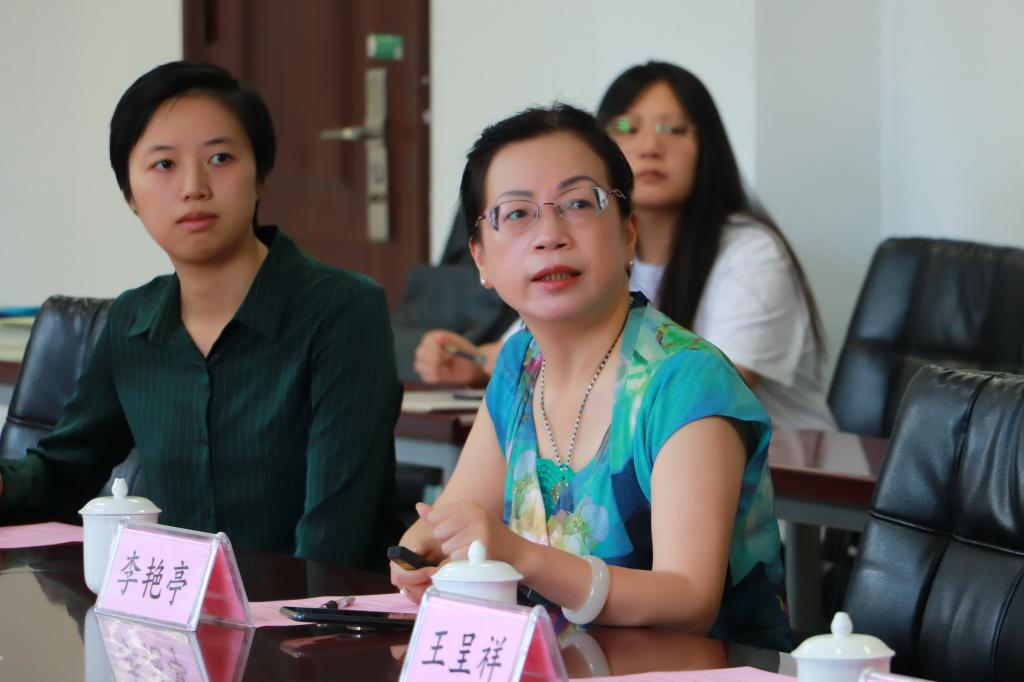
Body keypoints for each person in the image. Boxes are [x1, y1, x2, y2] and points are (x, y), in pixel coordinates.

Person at [392, 104, 791, 649]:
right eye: (517, 213)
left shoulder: (686, 382)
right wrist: (422, 551)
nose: (549, 234)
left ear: (628, 235)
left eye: (579, 203)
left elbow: (690, 601)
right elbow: (456, 517)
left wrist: (523, 556)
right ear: (480, 259)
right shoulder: (518, 363)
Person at [0, 61, 402, 571]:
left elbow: (333, 535)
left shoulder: (343, 309)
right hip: (174, 610)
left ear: (261, 176)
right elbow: (64, 473)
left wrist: (269, 615)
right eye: (163, 164)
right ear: (130, 195)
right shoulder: (132, 322)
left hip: (316, 612)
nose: (193, 186)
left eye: (220, 158)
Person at [415, 62, 834, 431]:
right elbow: (537, 353)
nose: (650, 147)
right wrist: (472, 362)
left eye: (672, 129)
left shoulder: (751, 253)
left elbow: (706, 395)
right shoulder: (586, 252)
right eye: (627, 129)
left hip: (792, 479)